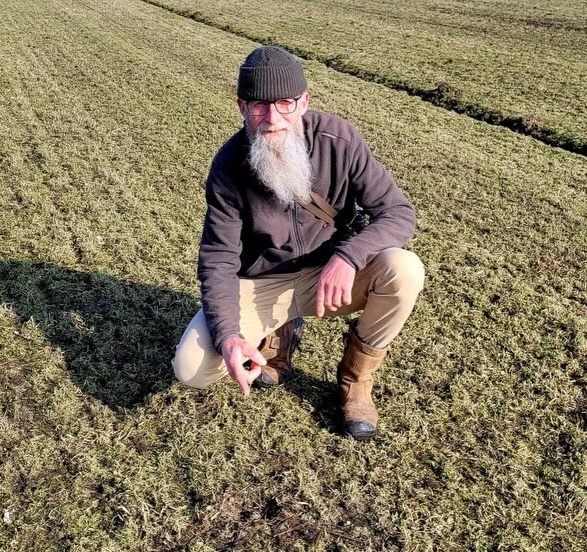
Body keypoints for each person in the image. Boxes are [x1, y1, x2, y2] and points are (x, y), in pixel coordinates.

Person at [172, 45, 424, 440]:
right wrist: (230, 337)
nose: (272, 119)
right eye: (259, 106)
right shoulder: (228, 167)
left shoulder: (338, 139)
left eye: (285, 103)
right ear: (242, 107)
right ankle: (278, 333)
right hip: (264, 284)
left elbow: (398, 211)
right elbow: (218, 259)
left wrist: (349, 256)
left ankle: (355, 381)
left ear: (304, 101)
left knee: (405, 270)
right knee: (192, 368)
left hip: (332, 274)